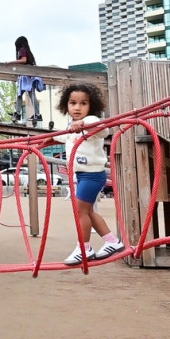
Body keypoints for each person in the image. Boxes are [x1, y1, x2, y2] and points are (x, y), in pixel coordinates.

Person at [55, 84, 125, 265]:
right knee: (88, 212)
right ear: (66, 105)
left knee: (80, 211)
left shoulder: (92, 121)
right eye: (73, 103)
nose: (77, 108)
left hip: (93, 174)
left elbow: (103, 129)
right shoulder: (72, 127)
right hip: (84, 175)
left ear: (91, 106)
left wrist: (83, 123)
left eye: (83, 103)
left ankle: (84, 248)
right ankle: (112, 241)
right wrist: (43, 141)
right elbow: (63, 137)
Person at [7, 36, 44, 124]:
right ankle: (36, 114)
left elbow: (24, 60)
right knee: (28, 95)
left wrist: (11, 62)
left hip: (26, 77)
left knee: (22, 95)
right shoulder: (28, 51)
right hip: (29, 76)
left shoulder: (22, 50)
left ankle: (19, 113)